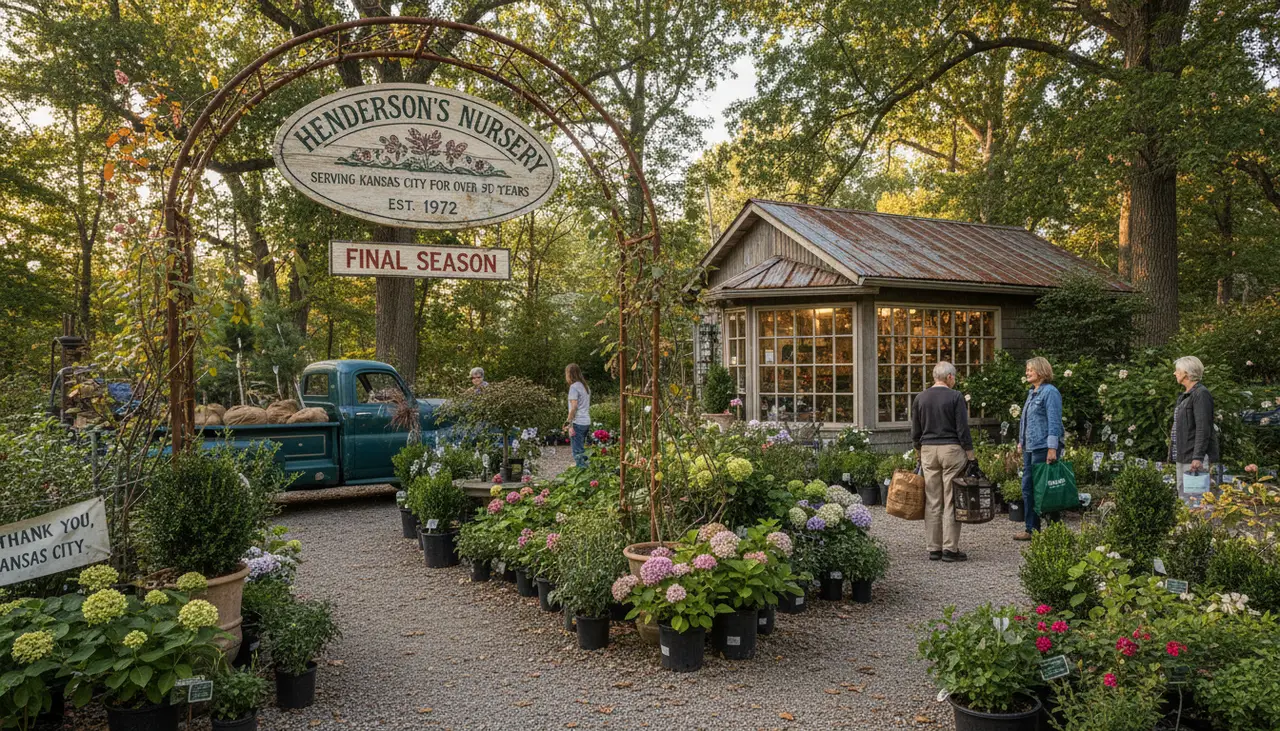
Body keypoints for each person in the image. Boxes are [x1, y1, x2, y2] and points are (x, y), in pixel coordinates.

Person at [909, 361, 976, 563]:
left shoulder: (920, 397)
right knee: (951, 498)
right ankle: (950, 548)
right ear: (949, 377)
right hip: (951, 449)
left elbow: (915, 430)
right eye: (954, 377)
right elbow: (963, 429)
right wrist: (971, 455)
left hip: (928, 449)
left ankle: (934, 548)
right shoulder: (955, 397)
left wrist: (918, 451)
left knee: (932, 499)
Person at [1015, 356, 1064, 541]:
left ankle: (1055, 528)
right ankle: (1031, 529)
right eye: (1027, 369)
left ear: (1041, 371)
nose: (1027, 373)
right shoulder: (1032, 392)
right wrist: (1021, 442)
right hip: (1030, 447)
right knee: (1028, 488)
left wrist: (1053, 448)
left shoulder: (1050, 392)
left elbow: (1054, 421)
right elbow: (1026, 422)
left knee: (1046, 488)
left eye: (1030, 370)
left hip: (1044, 447)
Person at [1171, 356, 1219, 505]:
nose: (1174, 373)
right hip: (1184, 454)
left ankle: (1197, 528)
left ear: (1186, 373)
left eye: (1177, 370)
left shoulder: (1201, 394)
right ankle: (1188, 527)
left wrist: (1197, 456)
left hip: (1194, 456)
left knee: (1196, 501)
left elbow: (1203, 427)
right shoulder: (1186, 395)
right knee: (1184, 497)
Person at [563, 364, 592, 469]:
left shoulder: (574, 387)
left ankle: (583, 475)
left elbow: (574, 406)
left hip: (578, 422)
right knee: (583, 452)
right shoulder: (585, 386)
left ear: (569, 374)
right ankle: (588, 474)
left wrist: (568, 422)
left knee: (578, 453)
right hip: (586, 421)